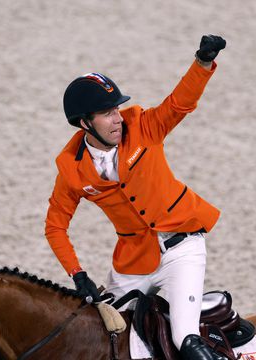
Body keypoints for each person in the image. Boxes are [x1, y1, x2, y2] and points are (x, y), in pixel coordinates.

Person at [45, 35, 227, 360]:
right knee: (101, 334)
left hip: (181, 248)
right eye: (106, 113)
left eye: (116, 109)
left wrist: (201, 64)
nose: (117, 118)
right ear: (85, 123)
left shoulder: (144, 126)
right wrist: (78, 274)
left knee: (186, 339)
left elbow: (180, 103)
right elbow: (55, 226)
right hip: (133, 263)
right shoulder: (70, 168)